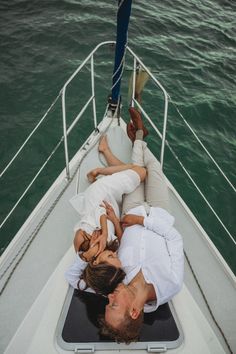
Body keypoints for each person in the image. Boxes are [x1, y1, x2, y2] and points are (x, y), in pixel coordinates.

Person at [65, 139, 146, 293]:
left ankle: (99, 171)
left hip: (100, 195)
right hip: (113, 206)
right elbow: (122, 240)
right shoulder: (107, 269)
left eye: (111, 257)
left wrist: (98, 241)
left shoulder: (83, 241)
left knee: (141, 172)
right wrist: (115, 222)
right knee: (132, 172)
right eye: (116, 258)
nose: (115, 253)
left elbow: (98, 209)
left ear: (95, 263)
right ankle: (107, 155)